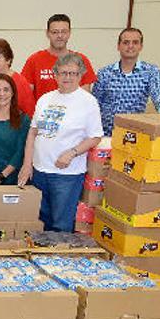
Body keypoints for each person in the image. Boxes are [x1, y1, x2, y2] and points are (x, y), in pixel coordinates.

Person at [18, 53, 103, 232]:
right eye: (63, 73)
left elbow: (95, 137)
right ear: (55, 74)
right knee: (40, 223)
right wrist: (27, 165)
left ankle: (57, 259)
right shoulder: (45, 99)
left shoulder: (88, 102)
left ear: (80, 76)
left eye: (73, 73)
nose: (68, 77)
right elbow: (33, 133)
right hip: (40, 172)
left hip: (67, 175)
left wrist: (72, 152)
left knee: (61, 225)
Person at [93, 27, 160, 136]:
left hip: (136, 134)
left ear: (141, 46)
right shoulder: (104, 73)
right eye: (126, 42)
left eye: (135, 42)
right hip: (106, 135)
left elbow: (159, 98)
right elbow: (95, 105)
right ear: (118, 46)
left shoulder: (151, 72)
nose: (130, 46)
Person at [22, 14, 97, 101]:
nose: (60, 36)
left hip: (74, 113)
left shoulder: (81, 60)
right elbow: (26, 96)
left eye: (64, 32)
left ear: (69, 33)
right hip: (45, 113)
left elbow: (85, 97)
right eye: (55, 32)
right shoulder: (34, 60)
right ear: (47, 33)